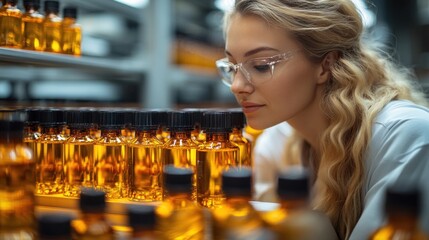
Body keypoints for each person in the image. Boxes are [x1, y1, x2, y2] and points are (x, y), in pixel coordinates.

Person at [215, 0, 429, 239]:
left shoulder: (406, 137)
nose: (236, 86)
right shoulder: (276, 142)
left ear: (326, 65)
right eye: (232, 66)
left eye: (262, 66)